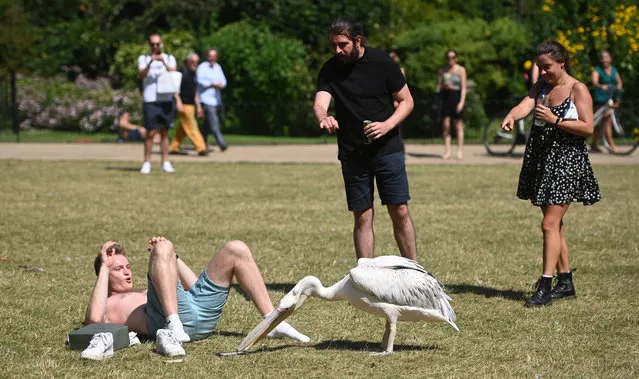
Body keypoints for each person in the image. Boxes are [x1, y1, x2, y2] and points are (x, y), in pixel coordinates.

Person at [500, 40, 601, 308]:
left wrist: (556, 120)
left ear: (561, 63)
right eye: (539, 68)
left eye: (546, 67)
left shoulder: (577, 89)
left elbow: (588, 127)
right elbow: (526, 104)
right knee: (553, 223)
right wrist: (512, 115)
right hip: (542, 157)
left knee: (548, 224)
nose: (542, 72)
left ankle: (545, 285)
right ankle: (565, 282)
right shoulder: (542, 87)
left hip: (566, 160)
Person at [85, 237, 310, 357]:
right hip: (165, 321)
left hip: (196, 312)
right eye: (118, 268)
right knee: (163, 247)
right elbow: (93, 320)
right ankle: (174, 323)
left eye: (128, 266)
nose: (127, 271)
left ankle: (272, 321)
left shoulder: (147, 291)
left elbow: (193, 287)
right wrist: (104, 265)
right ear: (104, 274)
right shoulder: (110, 303)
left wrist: (172, 259)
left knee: (236, 248)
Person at [313, 18, 417, 261]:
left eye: (342, 44)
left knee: (399, 209)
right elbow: (320, 103)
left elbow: (407, 101)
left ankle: (415, 271)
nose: (337, 50)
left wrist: (388, 124)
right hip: (353, 152)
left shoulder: (382, 62)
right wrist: (324, 116)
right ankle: (365, 277)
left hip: (387, 148)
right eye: (333, 45)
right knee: (362, 214)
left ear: (357, 40)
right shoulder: (330, 69)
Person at [137, 33, 178, 174]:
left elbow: (174, 73)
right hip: (150, 99)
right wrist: (150, 62)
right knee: (150, 132)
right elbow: (141, 75)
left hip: (166, 99)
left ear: (162, 44)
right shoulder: (143, 59)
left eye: (157, 44)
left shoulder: (169, 58)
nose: (155, 46)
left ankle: (165, 161)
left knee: (165, 131)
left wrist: (163, 62)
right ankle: (147, 162)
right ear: (149, 45)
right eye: (153, 44)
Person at [170, 53, 208, 156]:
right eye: (192, 62)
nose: (195, 64)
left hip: (191, 105)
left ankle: (174, 147)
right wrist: (178, 101)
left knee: (183, 128)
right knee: (192, 126)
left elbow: (195, 92)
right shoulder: (182, 73)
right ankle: (201, 148)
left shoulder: (194, 74)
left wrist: (199, 106)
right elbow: (175, 89)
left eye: (197, 62)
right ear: (187, 62)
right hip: (183, 104)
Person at [590, 50, 623, 153]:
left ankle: (594, 144)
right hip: (600, 97)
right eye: (602, 57)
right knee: (606, 119)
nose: (604, 59)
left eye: (606, 57)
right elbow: (594, 82)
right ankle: (611, 145)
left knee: (603, 122)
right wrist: (602, 86)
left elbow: (619, 82)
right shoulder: (597, 69)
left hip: (610, 97)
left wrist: (618, 89)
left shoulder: (614, 70)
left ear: (610, 59)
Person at [436, 49, 467, 160]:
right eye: (449, 57)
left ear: (456, 58)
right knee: (446, 126)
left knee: (458, 126)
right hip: (446, 99)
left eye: (453, 57)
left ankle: (459, 151)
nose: (451, 59)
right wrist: (443, 86)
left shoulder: (461, 70)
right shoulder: (442, 71)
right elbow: (438, 87)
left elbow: (463, 88)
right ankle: (447, 151)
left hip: (457, 98)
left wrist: (462, 102)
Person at [197, 48, 228, 152]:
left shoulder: (218, 67)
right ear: (207, 56)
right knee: (214, 123)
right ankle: (222, 143)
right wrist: (213, 83)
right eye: (210, 56)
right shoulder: (202, 67)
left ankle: (202, 144)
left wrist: (220, 84)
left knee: (206, 125)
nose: (212, 58)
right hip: (205, 100)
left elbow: (223, 81)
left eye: (214, 56)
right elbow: (200, 81)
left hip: (215, 100)